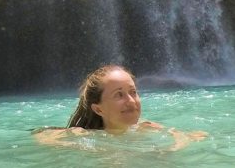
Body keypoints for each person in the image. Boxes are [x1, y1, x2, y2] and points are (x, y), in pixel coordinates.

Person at [34, 64, 208, 151]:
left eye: (133, 92)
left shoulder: (147, 128)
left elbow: (194, 136)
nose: (131, 101)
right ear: (98, 109)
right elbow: (42, 136)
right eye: (119, 95)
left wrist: (172, 148)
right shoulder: (85, 135)